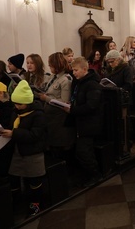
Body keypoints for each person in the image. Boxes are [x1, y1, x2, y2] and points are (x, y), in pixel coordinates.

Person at [1, 80, 46, 217]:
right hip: (18, 151)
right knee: (14, 179)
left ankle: (35, 207)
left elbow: (35, 134)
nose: (17, 106)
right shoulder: (16, 111)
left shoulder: (38, 114)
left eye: (20, 104)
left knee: (34, 183)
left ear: (27, 102)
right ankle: (17, 204)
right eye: (15, 103)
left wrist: (14, 133)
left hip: (32, 153)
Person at [67, 57, 103, 187]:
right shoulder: (79, 82)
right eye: (73, 70)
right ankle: (87, 174)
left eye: (76, 70)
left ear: (84, 69)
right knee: (82, 151)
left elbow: (91, 106)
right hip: (80, 122)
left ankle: (96, 175)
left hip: (89, 123)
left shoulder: (92, 84)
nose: (73, 73)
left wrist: (72, 109)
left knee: (84, 151)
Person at [37, 52, 75, 160]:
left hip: (59, 117)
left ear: (57, 64)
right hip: (49, 115)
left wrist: (46, 99)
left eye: (51, 64)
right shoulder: (53, 76)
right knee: (51, 144)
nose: (49, 67)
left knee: (59, 145)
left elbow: (64, 101)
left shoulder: (66, 79)